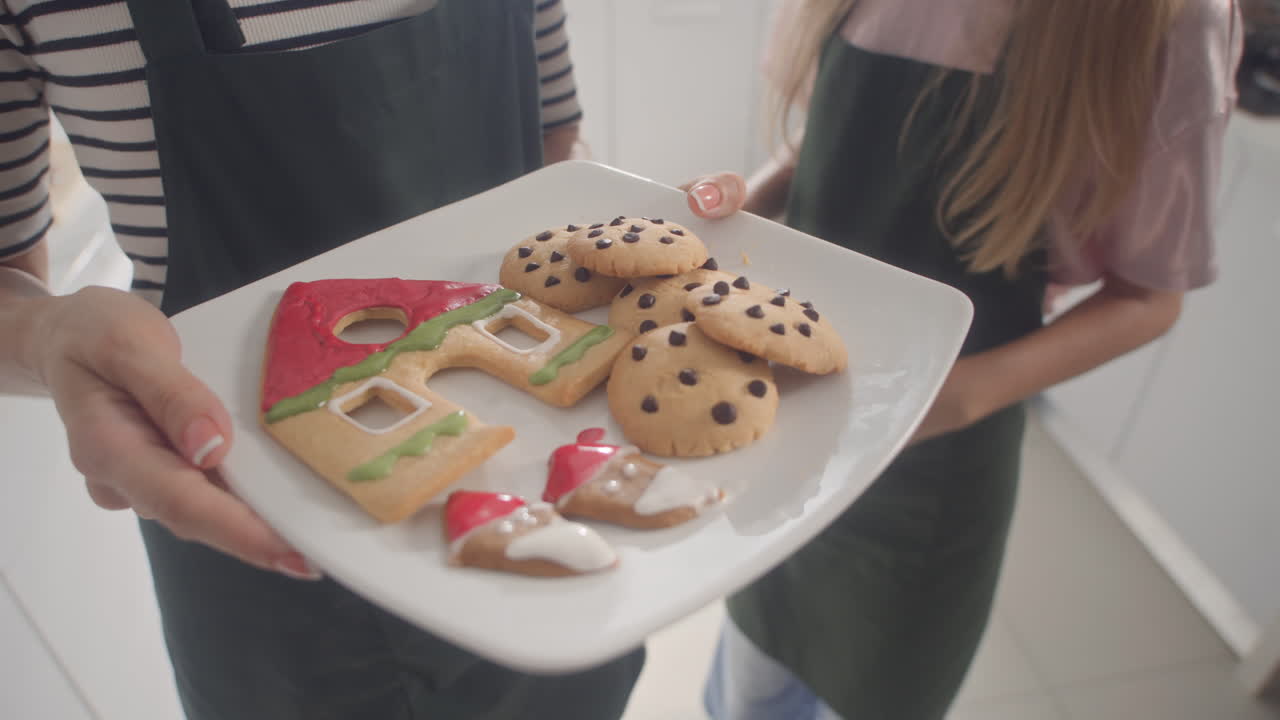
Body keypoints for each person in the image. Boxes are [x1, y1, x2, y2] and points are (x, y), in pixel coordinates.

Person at [0, 1, 736, 718]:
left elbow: (554, 143)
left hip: (553, 507)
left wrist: (636, 261)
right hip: (250, 518)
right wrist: (46, 336)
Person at [697, 1, 1244, 718]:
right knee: (753, 674)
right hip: (786, 423)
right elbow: (830, 142)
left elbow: (1149, 297)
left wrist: (944, 399)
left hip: (936, 469)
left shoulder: (1162, 19)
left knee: (873, 684)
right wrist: (746, 204)